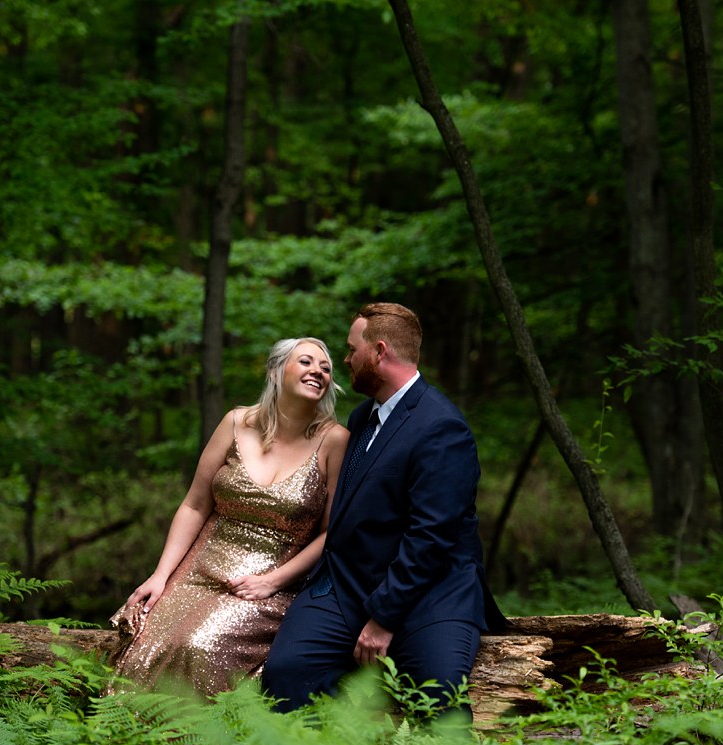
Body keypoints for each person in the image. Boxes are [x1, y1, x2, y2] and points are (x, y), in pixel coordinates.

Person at [261, 302, 503, 716]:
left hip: (430, 592)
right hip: (346, 587)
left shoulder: (441, 427)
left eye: (353, 349)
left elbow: (432, 537)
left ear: (380, 351)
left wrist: (383, 619)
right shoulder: (363, 418)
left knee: (438, 695)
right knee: (286, 672)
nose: (346, 360)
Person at [108, 337, 349, 697]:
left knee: (200, 646)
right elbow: (194, 505)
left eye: (325, 367)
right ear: (275, 371)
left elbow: (332, 533)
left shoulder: (334, 440)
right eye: (306, 362)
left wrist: (272, 581)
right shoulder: (236, 422)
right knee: (146, 639)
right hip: (198, 570)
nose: (318, 371)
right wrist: (161, 575)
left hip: (265, 586)